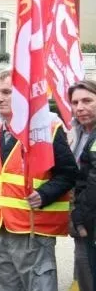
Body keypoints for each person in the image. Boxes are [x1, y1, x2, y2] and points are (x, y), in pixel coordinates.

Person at [0, 70, 77, 290]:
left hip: (33, 229)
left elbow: (68, 173)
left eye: (7, 92)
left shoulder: (47, 129)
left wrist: (44, 194)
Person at [68, 80, 96, 291]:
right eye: (75, 102)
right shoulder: (75, 133)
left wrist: (79, 220)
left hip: (88, 222)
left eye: (87, 100)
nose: (80, 107)